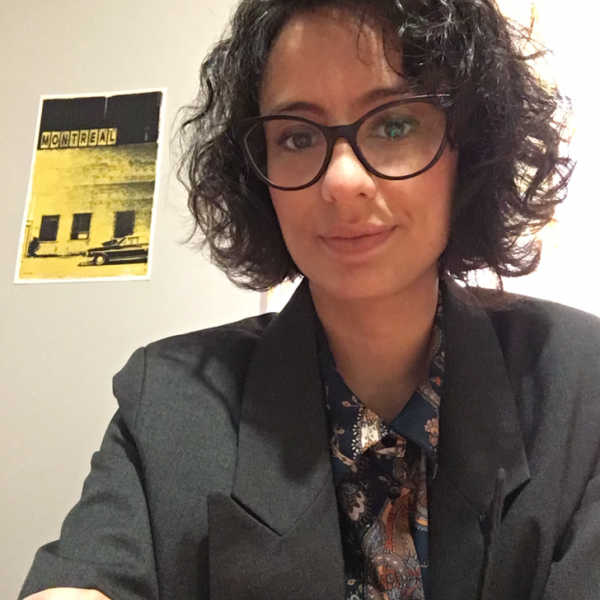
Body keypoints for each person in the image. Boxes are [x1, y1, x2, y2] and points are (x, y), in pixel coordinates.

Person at [19, 0, 600, 599]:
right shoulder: (168, 401)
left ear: (469, 151)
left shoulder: (582, 385)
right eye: (297, 136)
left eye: (394, 124)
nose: (342, 181)